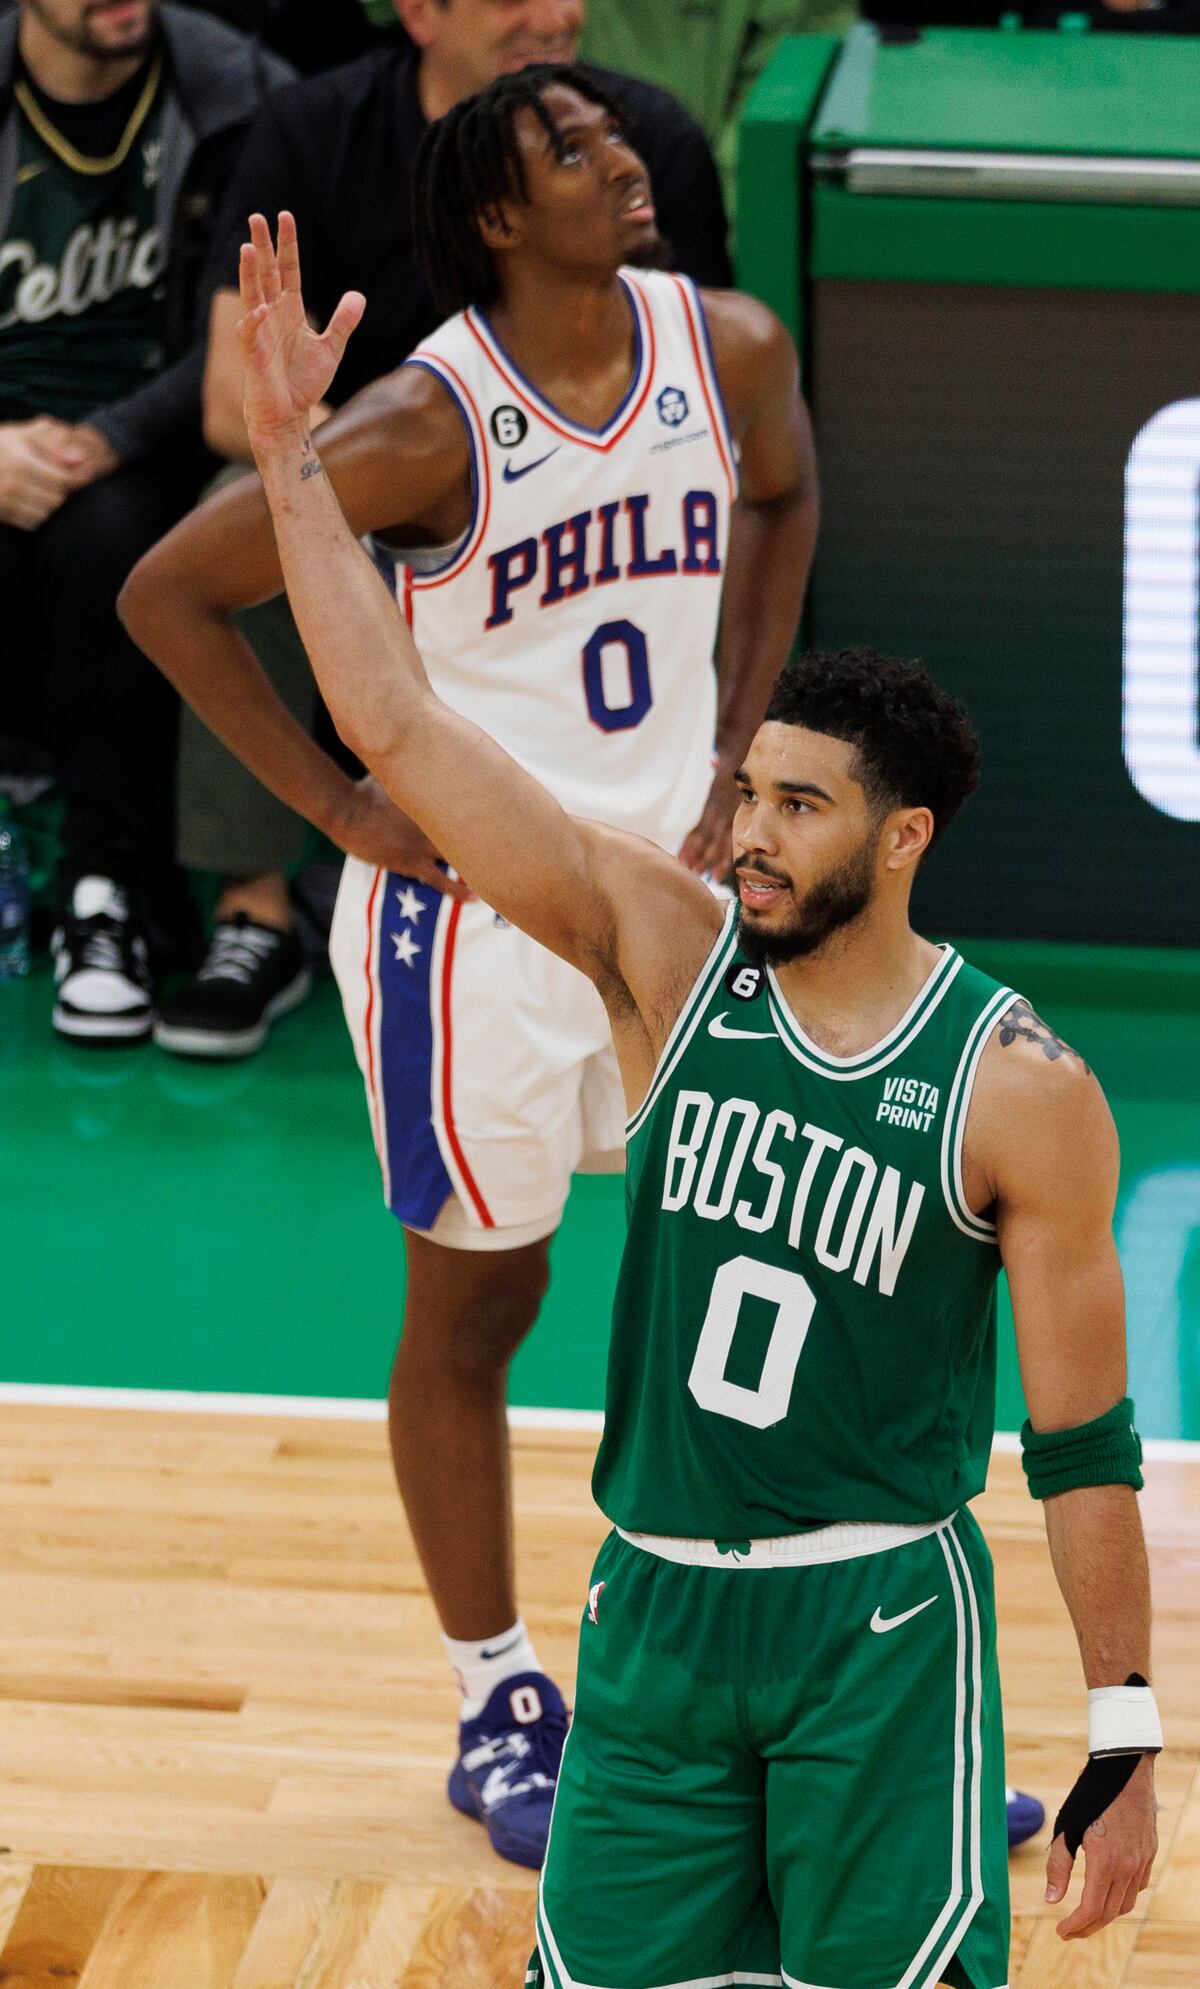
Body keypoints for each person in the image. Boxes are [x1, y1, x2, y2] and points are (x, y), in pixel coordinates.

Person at [225, 209, 1161, 1987]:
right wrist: (290, 463)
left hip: (877, 1610)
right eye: (750, 793)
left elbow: (1088, 1445)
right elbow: (407, 730)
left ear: (905, 840)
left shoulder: (1020, 1085)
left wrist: (1124, 1724)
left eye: (800, 808)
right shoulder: (666, 950)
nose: (748, 832)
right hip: (651, 1604)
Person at [119, 70, 818, 1864]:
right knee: (481, 1310)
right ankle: (497, 1689)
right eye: (572, 153)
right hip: (475, 930)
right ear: (501, 222)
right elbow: (167, 591)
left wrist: (736, 747)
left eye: (610, 138)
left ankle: (786, 1682)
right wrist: (342, 806)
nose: (623, 162)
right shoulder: (430, 427)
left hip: (669, 902)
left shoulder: (727, 346)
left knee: (753, 1297)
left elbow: (788, 506)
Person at [155, 0, 735, 1062]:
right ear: (419, 11)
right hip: (384, 461)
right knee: (250, 510)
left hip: (572, 492)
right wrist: (338, 471)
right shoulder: (315, 128)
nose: (554, 14)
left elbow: (718, 422)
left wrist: (740, 731)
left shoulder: (656, 151)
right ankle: (255, 906)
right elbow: (226, 394)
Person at [0, 0, 291, 1041]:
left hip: (151, 444)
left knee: (120, 547)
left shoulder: (243, 96)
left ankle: (103, 894)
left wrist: (111, 437)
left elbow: (237, 340)